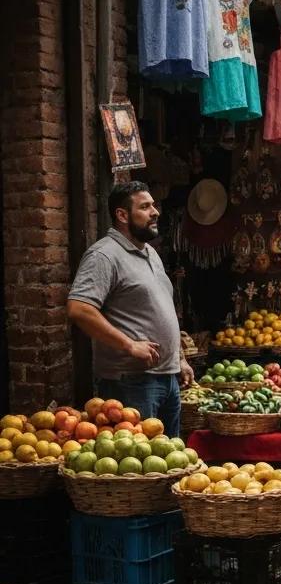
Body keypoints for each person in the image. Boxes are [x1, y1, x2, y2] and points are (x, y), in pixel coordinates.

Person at [67, 180, 192, 435]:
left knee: (172, 462)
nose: (155, 212)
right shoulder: (104, 255)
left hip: (168, 379)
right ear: (122, 215)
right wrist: (129, 345)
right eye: (145, 207)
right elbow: (79, 308)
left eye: (153, 206)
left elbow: (162, 308)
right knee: (140, 466)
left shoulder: (150, 253)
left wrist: (180, 358)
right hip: (132, 382)